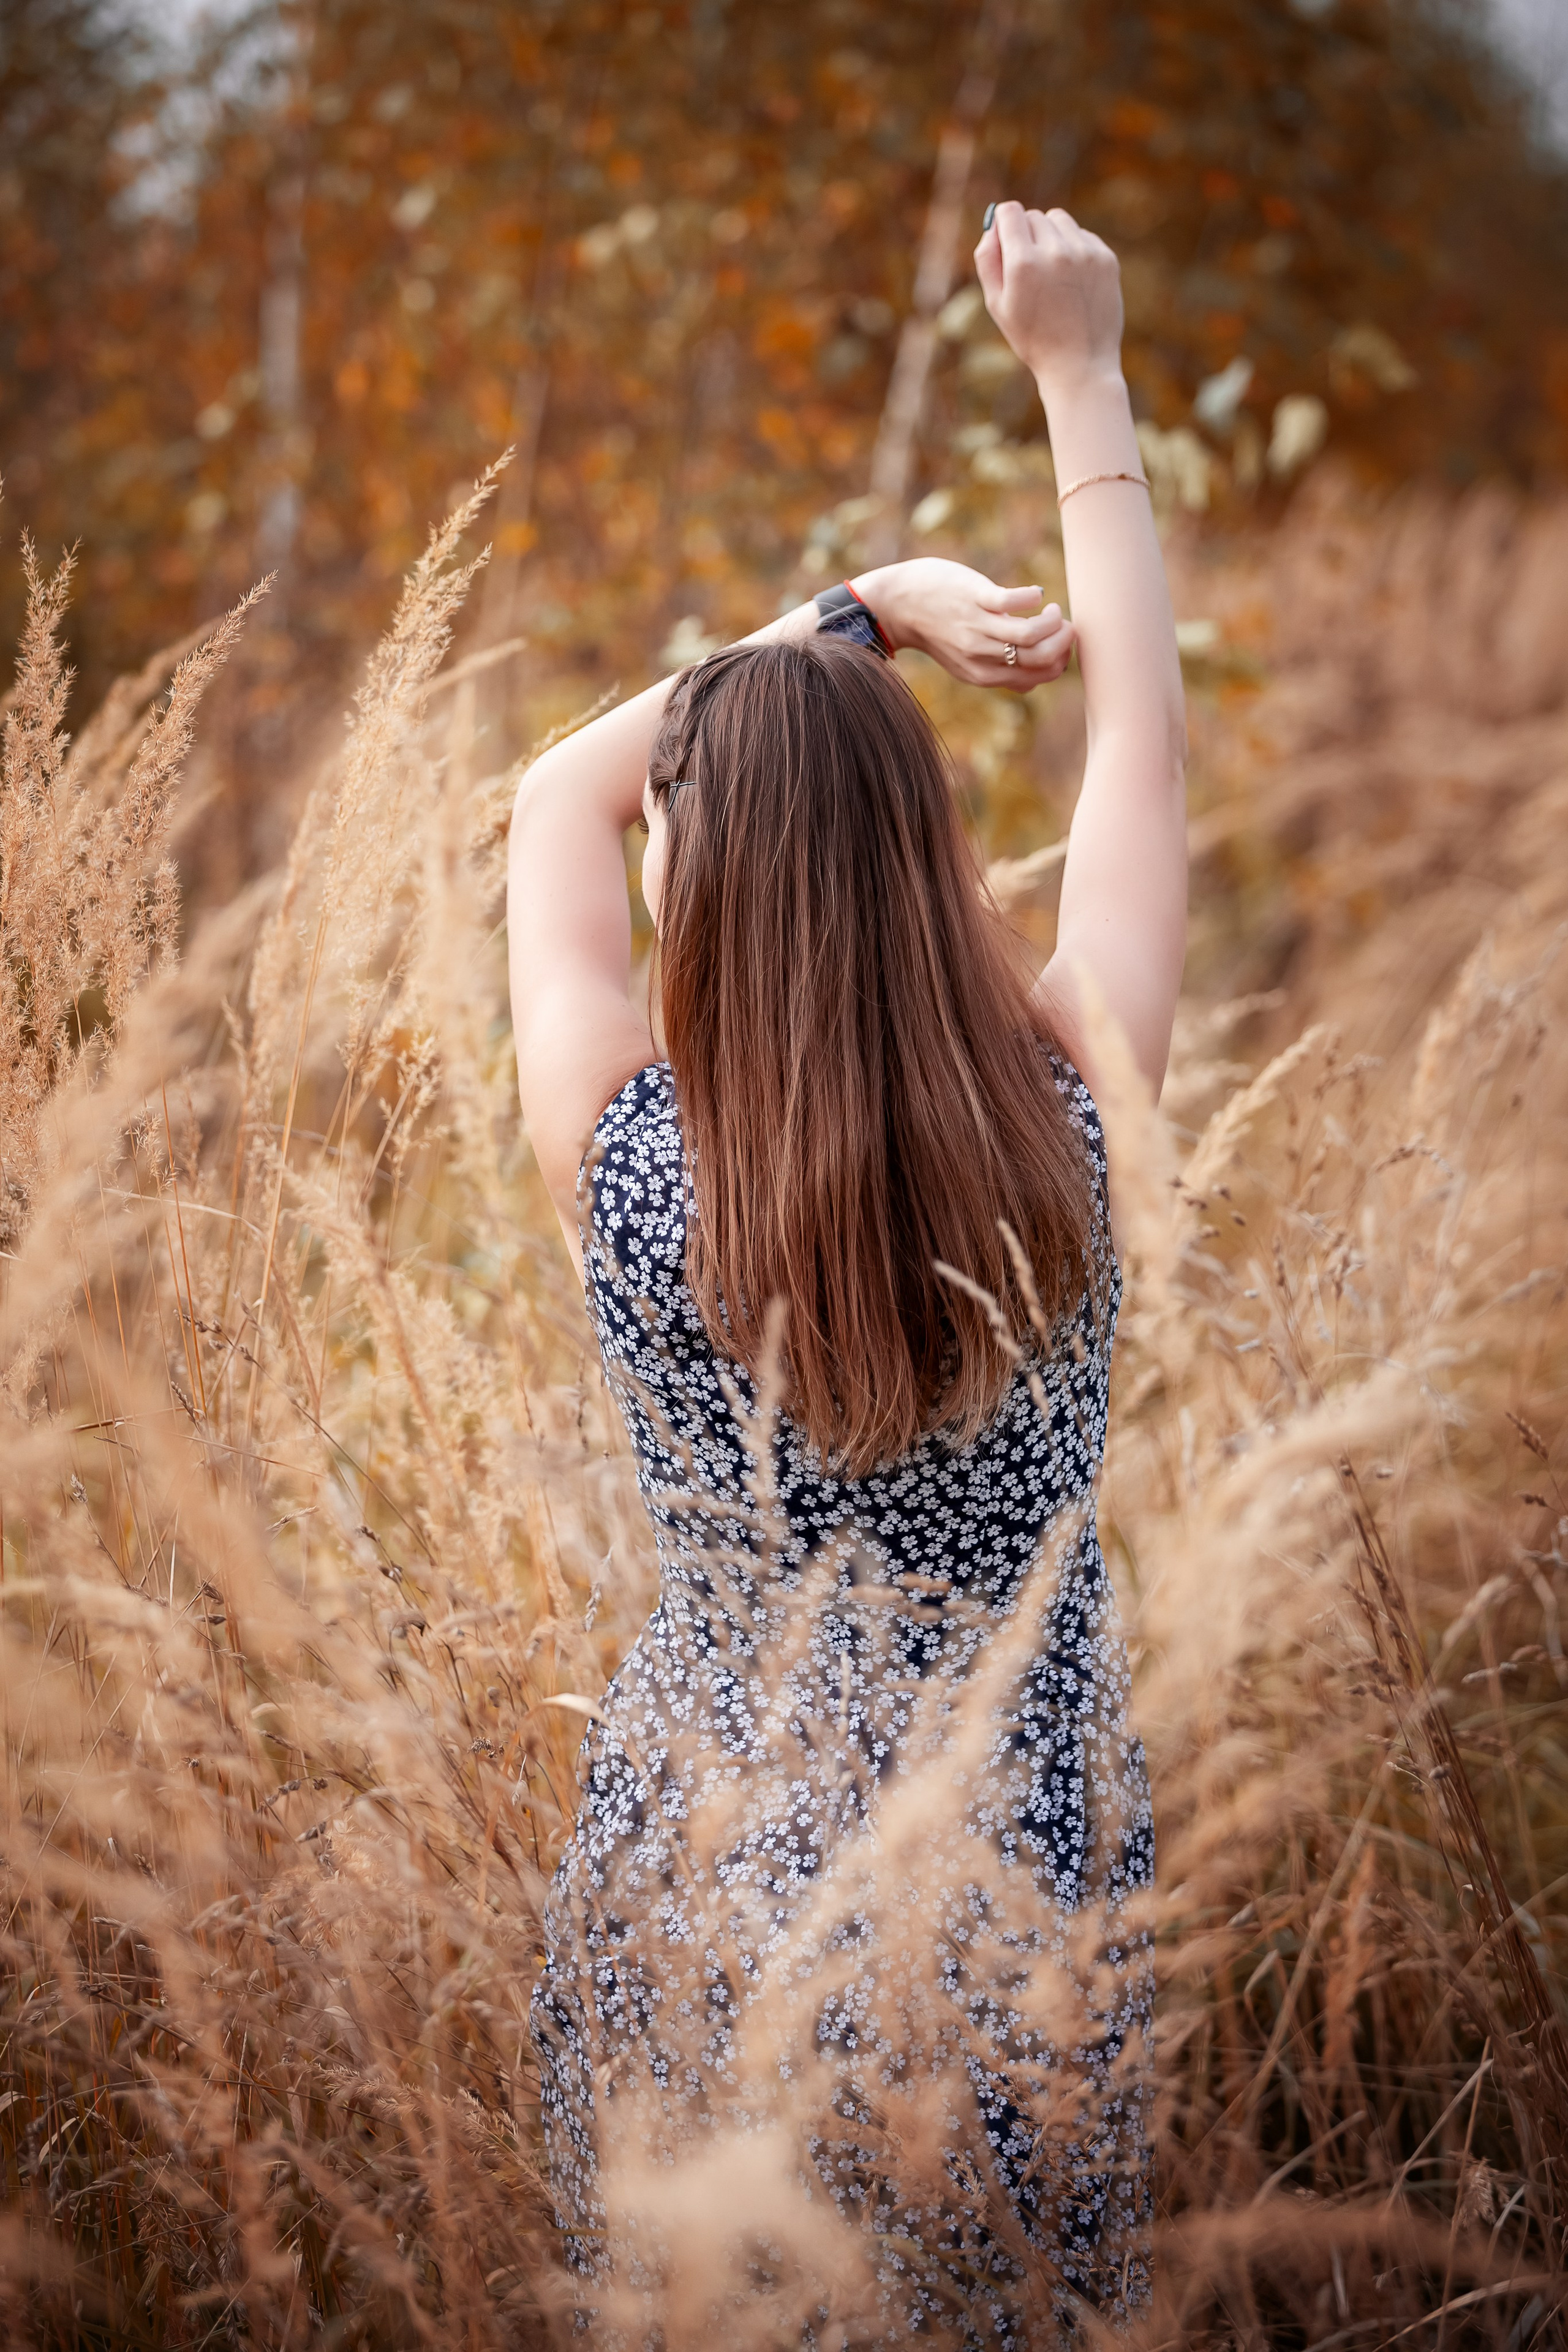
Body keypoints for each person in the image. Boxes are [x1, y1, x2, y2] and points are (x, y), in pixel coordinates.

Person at [507, 202, 1186, 2339]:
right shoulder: (1073, 1129)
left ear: (692, 879)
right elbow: (1145, 748)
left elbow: (551, 798)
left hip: (693, 1912)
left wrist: (853, 614)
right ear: (928, 867)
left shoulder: (632, 1170)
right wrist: (1080, 374)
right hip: (1026, 1923)